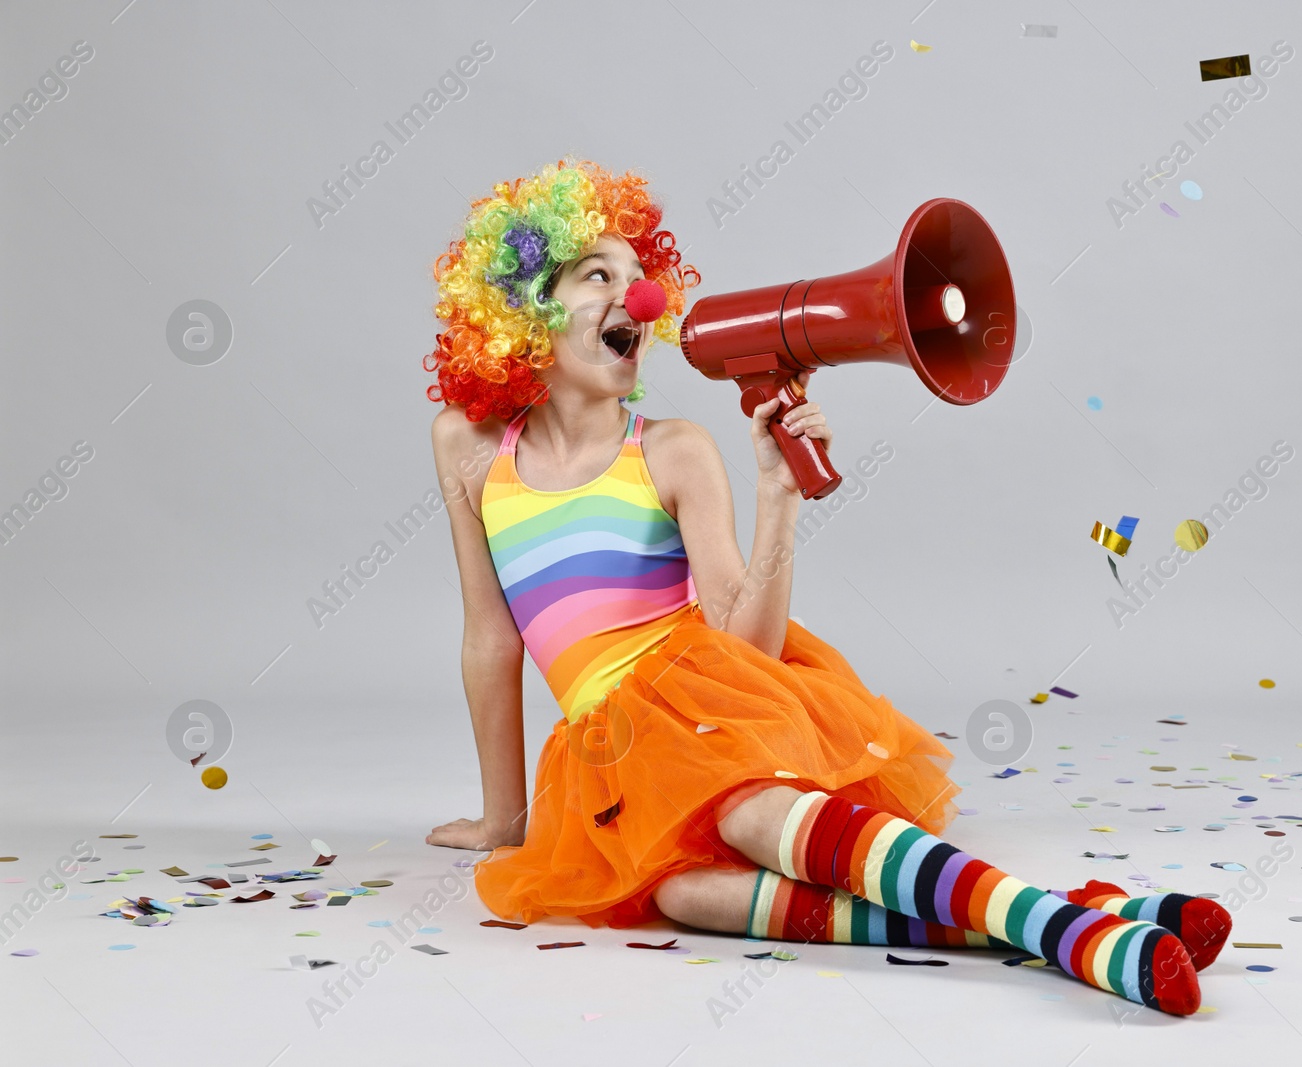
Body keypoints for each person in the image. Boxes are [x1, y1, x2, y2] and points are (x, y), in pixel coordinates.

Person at [421, 159, 1226, 1015]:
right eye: (598, 277)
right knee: (681, 896)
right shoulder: (467, 446)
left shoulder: (673, 448)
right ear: (521, 313)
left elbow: (745, 647)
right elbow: (491, 636)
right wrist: (503, 818)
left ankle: (1070, 936)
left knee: (742, 819)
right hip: (609, 748)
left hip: (703, 698)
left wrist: (779, 496)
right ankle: (1073, 917)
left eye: (640, 276)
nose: (644, 300)